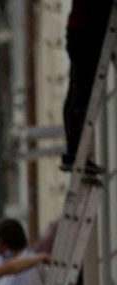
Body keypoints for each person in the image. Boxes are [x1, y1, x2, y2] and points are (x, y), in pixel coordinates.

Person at [61, 0, 113, 175]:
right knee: (81, 94)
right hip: (85, 34)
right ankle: (76, 152)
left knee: (78, 91)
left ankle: (75, 152)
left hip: (82, 32)